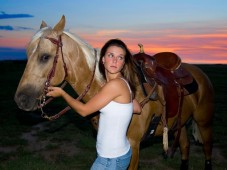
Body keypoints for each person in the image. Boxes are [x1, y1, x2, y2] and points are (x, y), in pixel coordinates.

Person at [47, 38, 141, 169]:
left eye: (120, 57)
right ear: (103, 59)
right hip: (116, 154)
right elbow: (137, 108)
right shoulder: (123, 82)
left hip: (112, 159)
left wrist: (62, 93)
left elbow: (84, 111)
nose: (115, 60)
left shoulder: (115, 85)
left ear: (123, 63)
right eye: (111, 55)